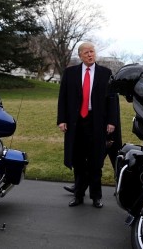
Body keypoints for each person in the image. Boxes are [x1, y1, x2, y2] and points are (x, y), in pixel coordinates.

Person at [57, 42, 118, 208]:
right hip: (76, 123)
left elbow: (112, 99)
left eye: (92, 51)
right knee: (77, 160)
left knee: (95, 161)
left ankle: (96, 197)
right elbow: (63, 98)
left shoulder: (106, 73)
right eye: (86, 52)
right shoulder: (70, 73)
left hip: (96, 122)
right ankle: (78, 195)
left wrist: (112, 121)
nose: (90, 55)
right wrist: (62, 120)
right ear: (81, 55)